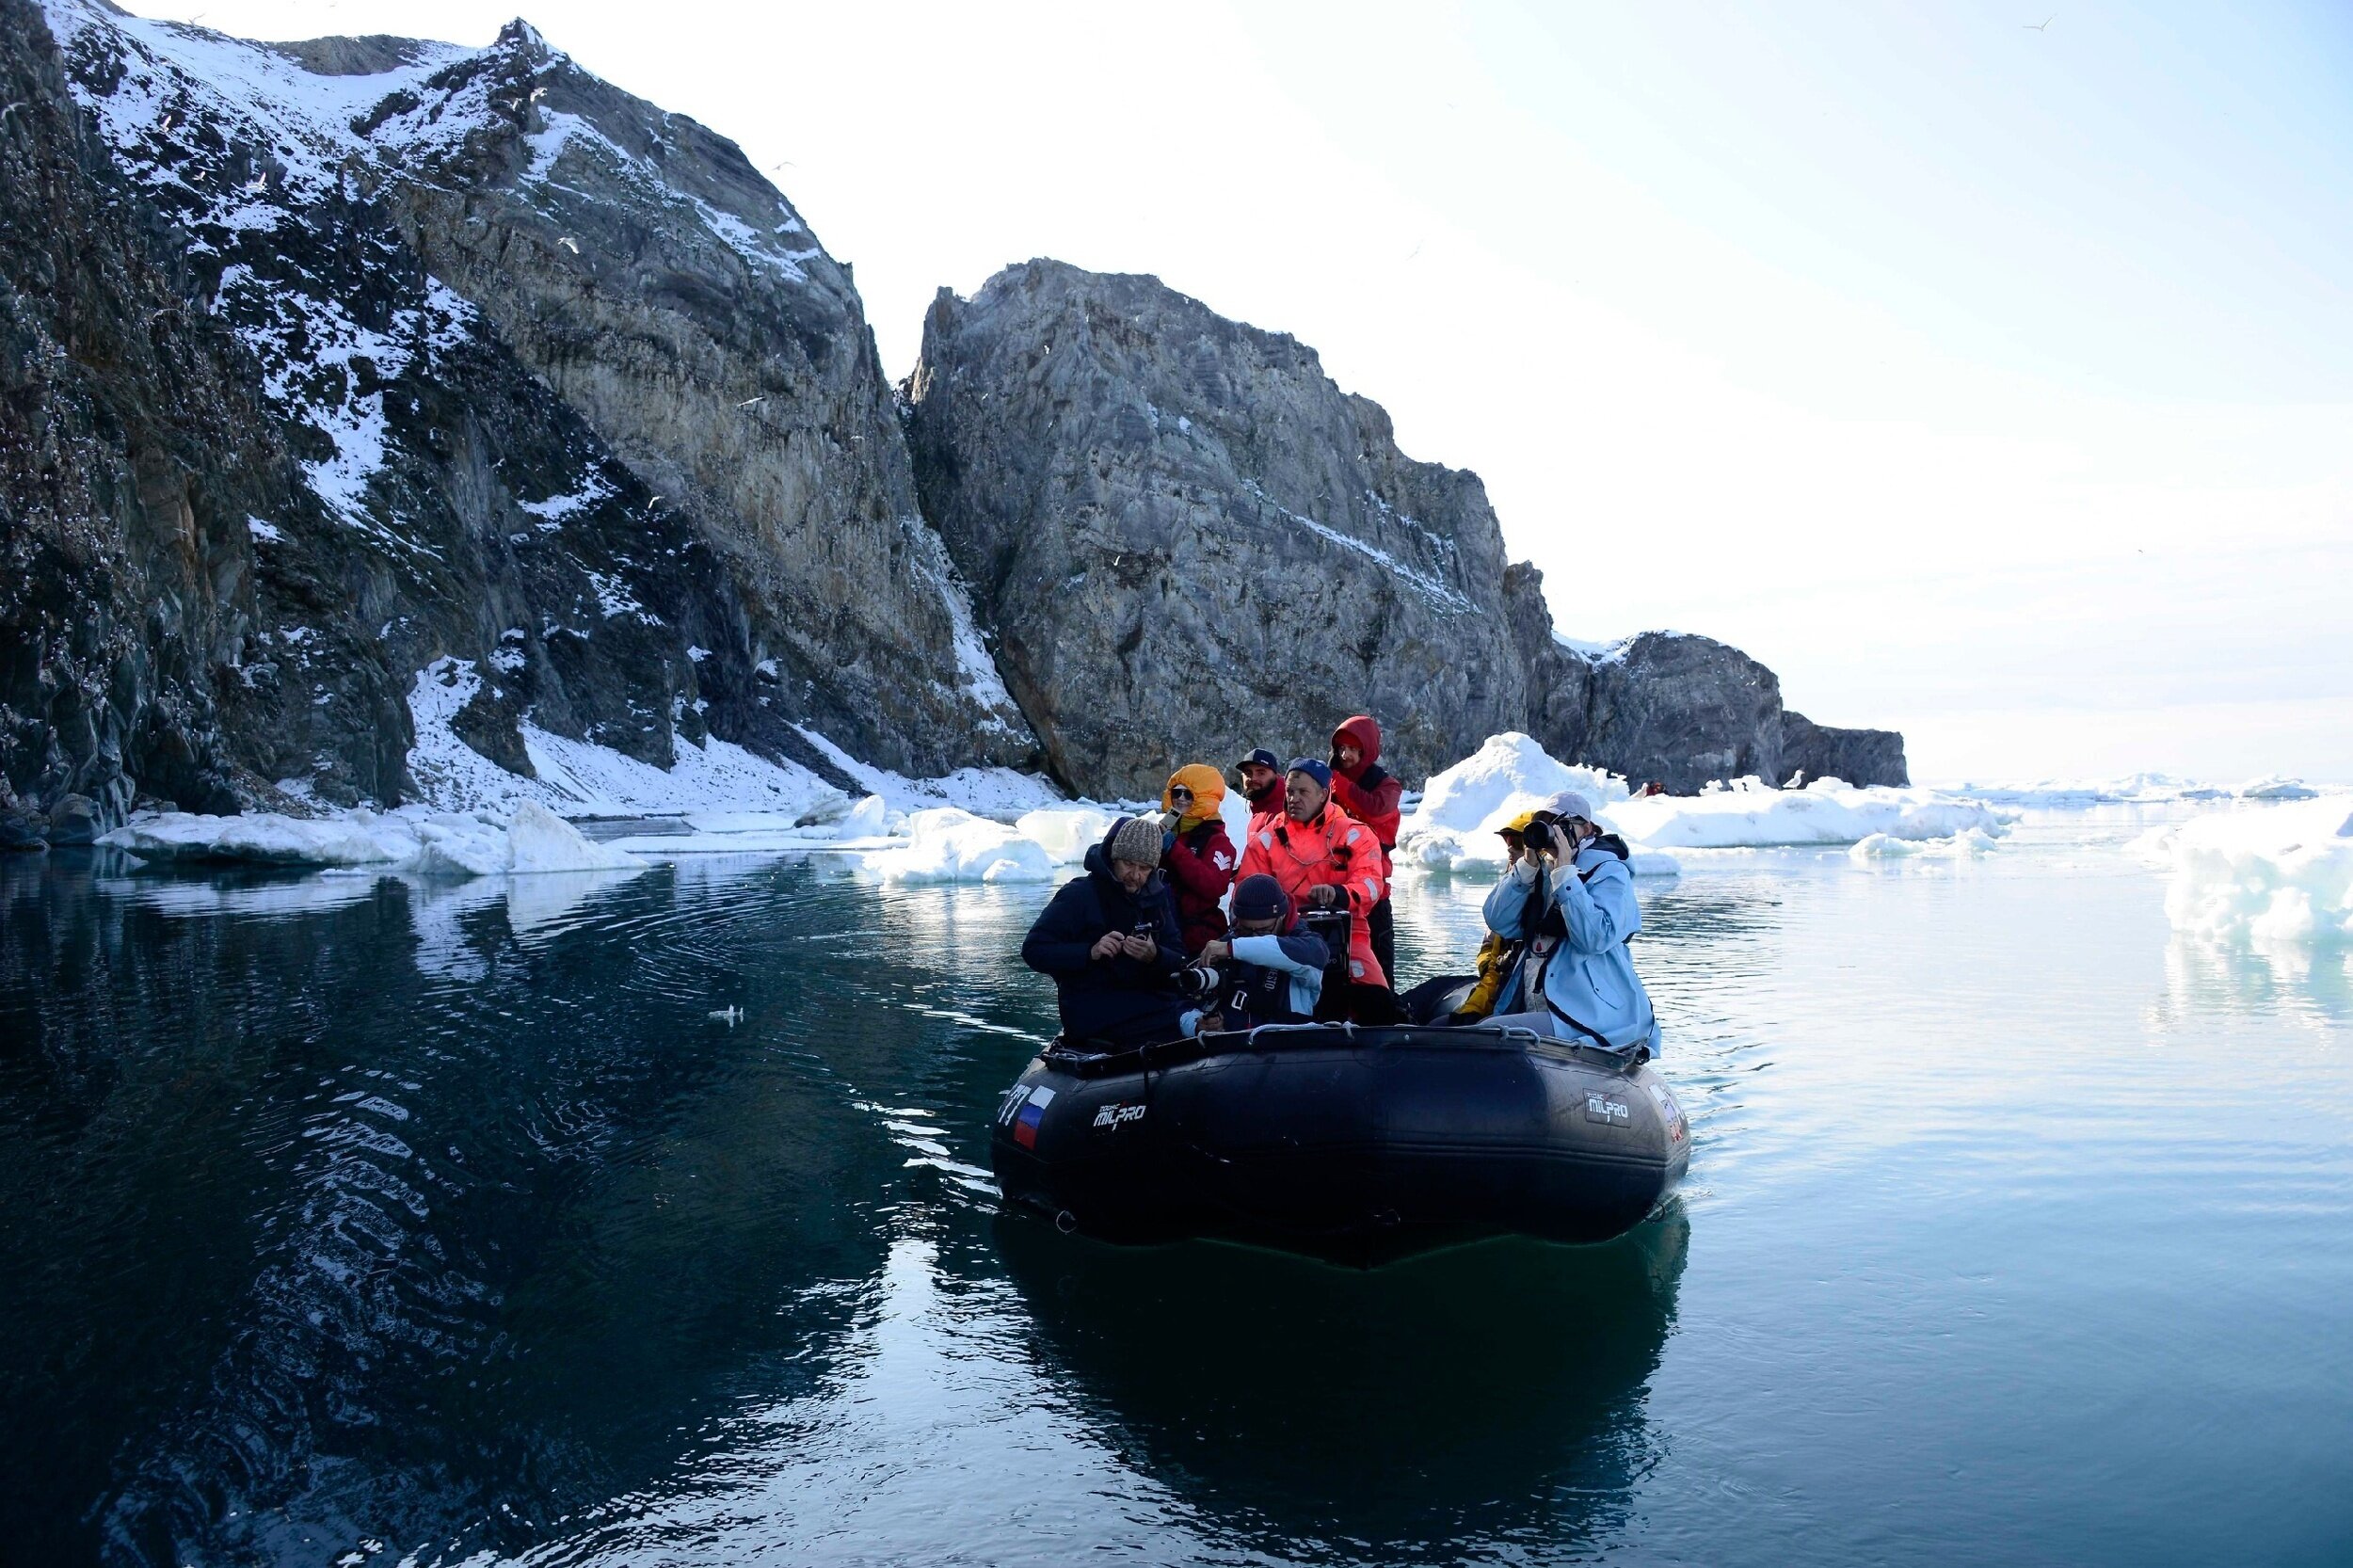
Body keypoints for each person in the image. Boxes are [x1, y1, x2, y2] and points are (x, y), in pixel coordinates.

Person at [1477, 791, 1657, 1053]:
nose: (1554, 833)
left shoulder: (1609, 870)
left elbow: (1595, 938)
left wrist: (1565, 874)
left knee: (1485, 1034)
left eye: (1562, 825)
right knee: (1479, 1032)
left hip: (1589, 1010)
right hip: (1544, 1002)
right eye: (1548, 825)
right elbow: (1498, 920)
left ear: (1587, 828)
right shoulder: (1540, 870)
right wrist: (1526, 867)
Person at [1021, 815, 1191, 1047]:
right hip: (1094, 1012)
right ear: (1114, 859)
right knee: (1182, 1025)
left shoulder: (1155, 898)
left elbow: (1179, 956)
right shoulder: (1079, 894)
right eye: (1128, 864)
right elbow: (1033, 950)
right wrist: (1090, 952)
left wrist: (1155, 955)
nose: (1136, 875)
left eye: (1144, 868)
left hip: (1147, 1003)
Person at [1236, 759, 1390, 995]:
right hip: (1282, 935)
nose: (1294, 798)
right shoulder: (1266, 840)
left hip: (1348, 935)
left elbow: (1370, 884)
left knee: (1376, 999)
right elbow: (1245, 890)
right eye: (1290, 791)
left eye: (1303, 792)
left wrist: (1339, 894)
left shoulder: (1355, 833)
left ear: (1323, 794)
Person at [1188, 873, 1330, 1032]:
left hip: (1290, 1048)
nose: (1254, 936)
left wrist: (1233, 948)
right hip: (1234, 1049)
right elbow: (1182, 1001)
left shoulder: (1309, 946)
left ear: (1282, 915)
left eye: (1263, 930)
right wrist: (1196, 1024)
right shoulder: (1224, 945)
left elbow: (1316, 955)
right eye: (1247, 930)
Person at [1328, 714, 1402, 981]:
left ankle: (1386, 1015)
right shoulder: (1329, 781)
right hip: (1334, 889)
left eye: (1353, 749)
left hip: (1374, 895)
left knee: (1380, 967)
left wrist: (1338, 782)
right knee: (1336, 968)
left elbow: (1375, 809)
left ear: (1367, 749)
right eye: (1341, 749)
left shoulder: (1388, 786)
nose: (1346, 755)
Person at [1159, 763, 1238, 955]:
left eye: (1189, 795)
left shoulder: (1218, 842)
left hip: (1196, 935)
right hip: (1162, 927)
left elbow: (1214, 885)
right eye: (1176, 793)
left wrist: (1173, 849)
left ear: (1204, 798)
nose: (1181, 799)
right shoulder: (1168, 831)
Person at [1234, 748, 1285, 821]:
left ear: (1276, 776)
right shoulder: (1259, 808)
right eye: (1248, 773)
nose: (1253, 778)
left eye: (1261, 773)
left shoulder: (1285, 813)